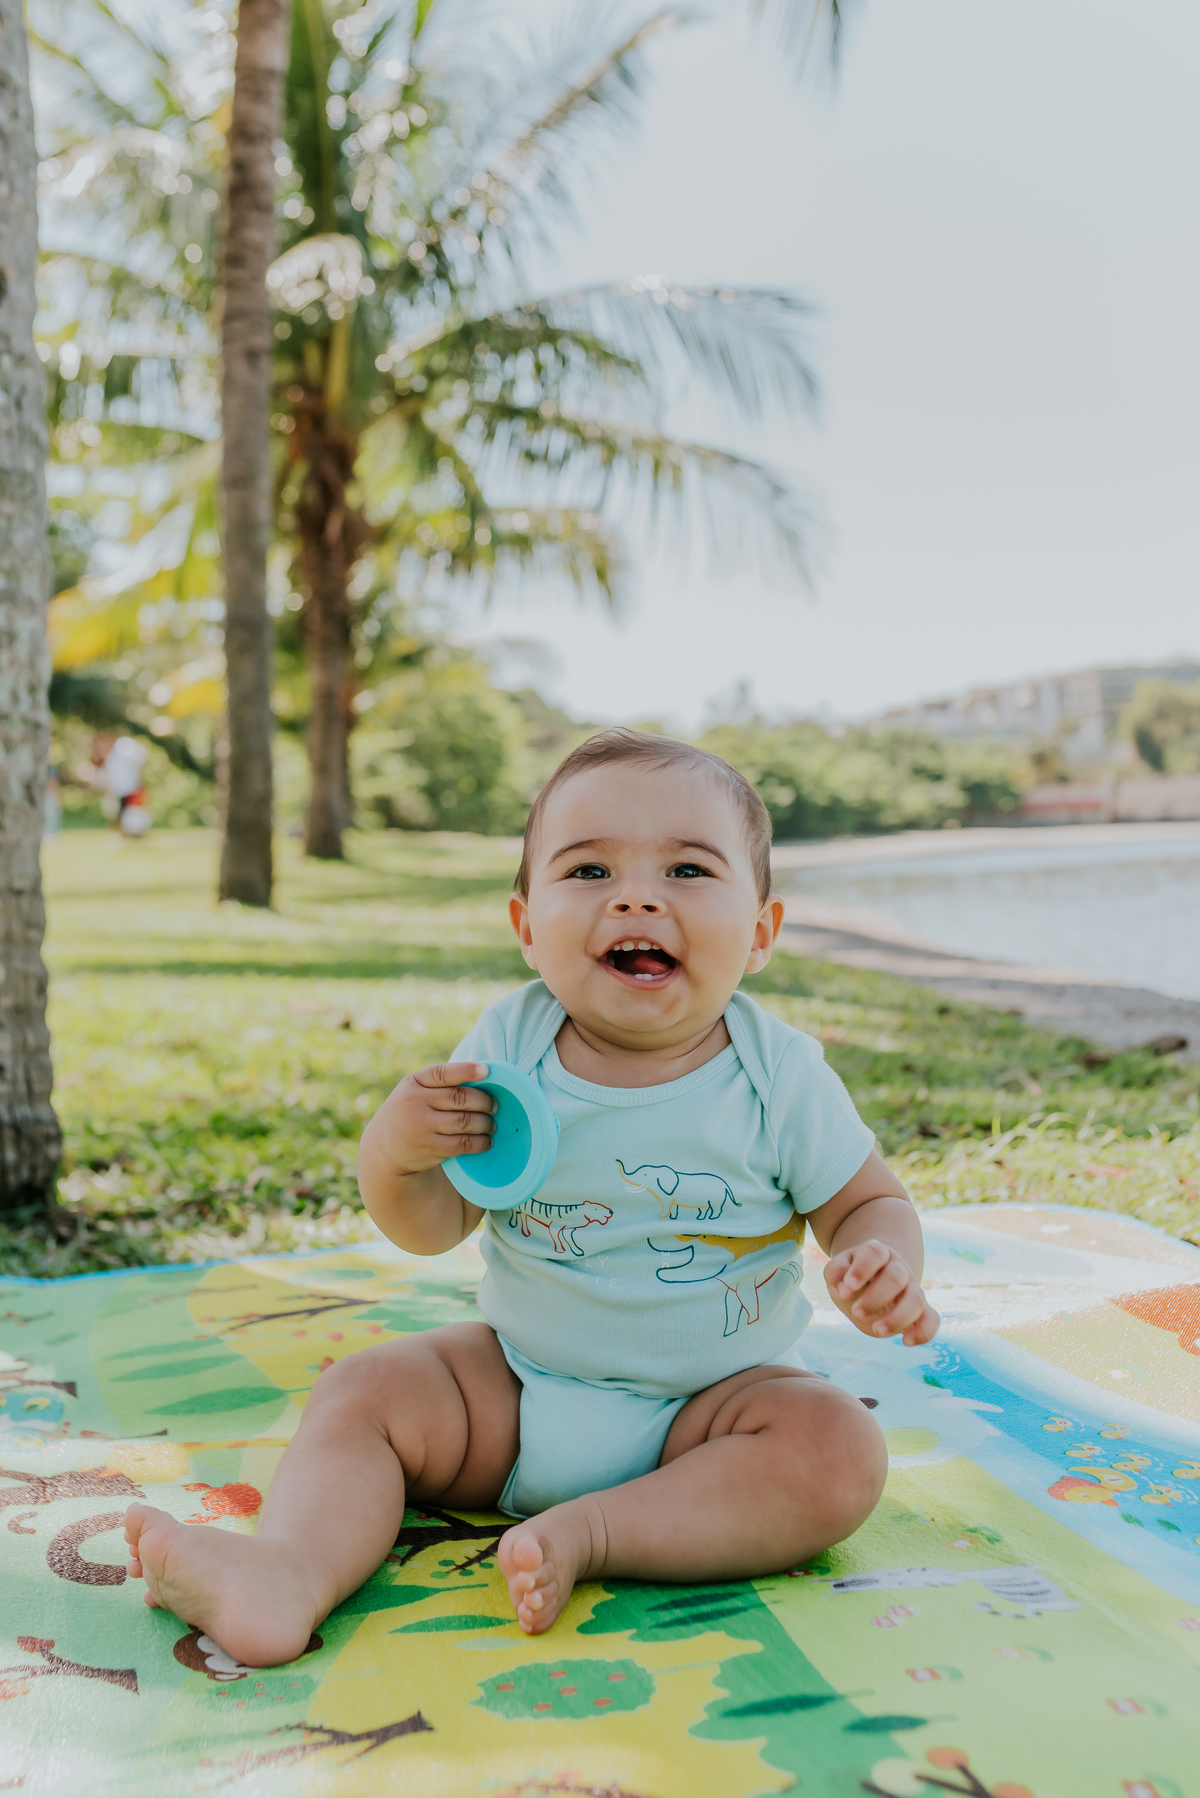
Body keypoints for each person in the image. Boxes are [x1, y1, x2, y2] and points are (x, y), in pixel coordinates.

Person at [123, 729, 939, 1664]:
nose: (636, 898)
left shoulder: (778, 1074)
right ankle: (285, 1575)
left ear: (760, 932)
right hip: (513, 1394)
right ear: (526, 927)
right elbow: (432, 1227)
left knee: (836, 1449)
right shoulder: (509, 1049)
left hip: (713, 1416)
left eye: (686, 869)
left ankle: (599, 1533)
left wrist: (882, 1260)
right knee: (364, 1390)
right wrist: (396, 1154)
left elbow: (866, 1201)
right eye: (590, 871)